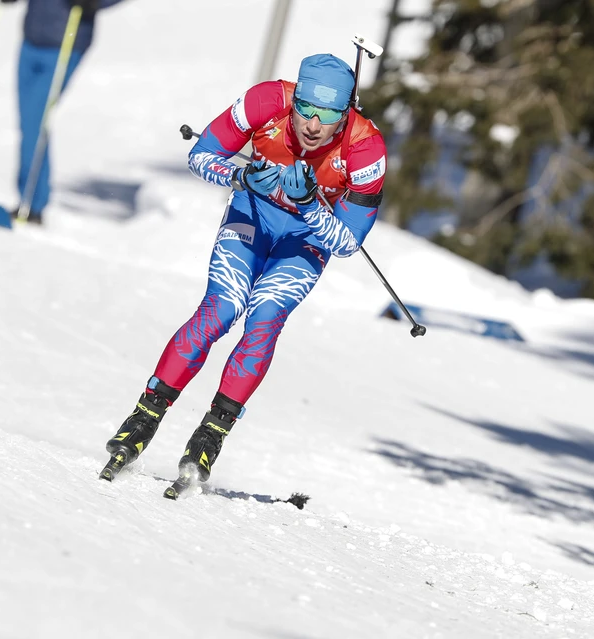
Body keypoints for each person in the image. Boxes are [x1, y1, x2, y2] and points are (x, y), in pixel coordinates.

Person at [103, 53, 388, 487]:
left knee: (264, 320)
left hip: (304, 242)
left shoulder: (367, 149)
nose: (312, 125)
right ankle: (144, 417)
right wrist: (239, 179)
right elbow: (201, 155)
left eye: (328, 115)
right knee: (221, 308)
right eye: (305, 109)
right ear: (293, 99)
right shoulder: (265, 101)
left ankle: (211, 434)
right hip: (250, 217)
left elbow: (347, 242)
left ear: (346, 112)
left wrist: (310, 206)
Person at [1, 0, 125, 224]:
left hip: (65, 41)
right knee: (26, 119)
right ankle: (28, 200)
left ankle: (33, 205)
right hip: (31, 38)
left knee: (35, 120)